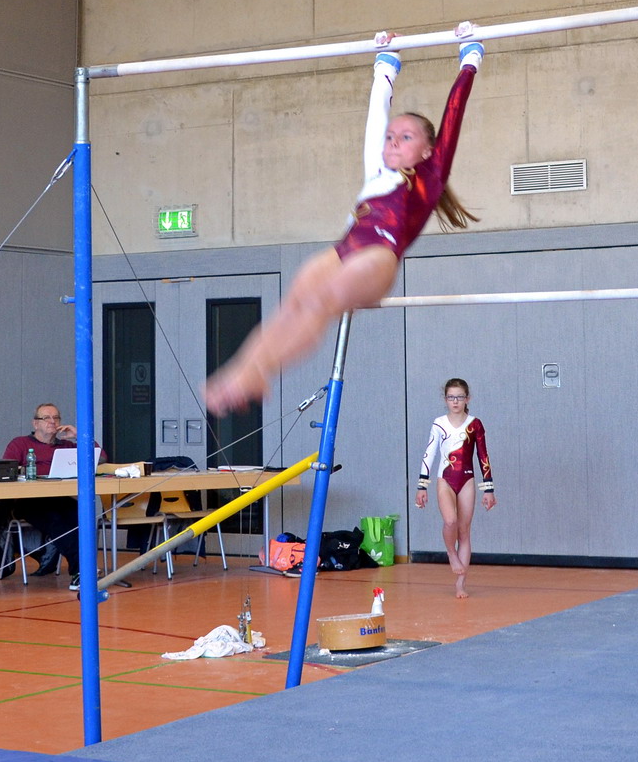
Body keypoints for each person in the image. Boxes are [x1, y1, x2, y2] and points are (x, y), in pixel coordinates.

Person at [202, 32, 486, 415]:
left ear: (427, 151)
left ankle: (260, 370)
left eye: (406, 137)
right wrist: (386, 62)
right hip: (345, 249)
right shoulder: (377, 168)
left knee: (321, 301)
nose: (392, 142)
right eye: (390, 137)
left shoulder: (430, 175)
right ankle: (243, 371)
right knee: (294, 302)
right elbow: (376, 114)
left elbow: (454, 112)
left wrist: (470, 58)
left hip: (378, 256)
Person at [0, 403, 104, 589]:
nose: (52, 421)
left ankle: (83, 572)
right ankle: (82, 572)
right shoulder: (20, 444)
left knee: (81, 516)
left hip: (59, 498)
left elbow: (101, 458)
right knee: (56, 521)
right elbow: (6, 472)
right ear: (35, 423)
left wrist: (79, 436)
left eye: (56, 418)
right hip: (29, 501)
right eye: (46, 418)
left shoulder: (67, 446)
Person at [414, 378, 495, 598]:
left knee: (464, 531)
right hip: (445, 479)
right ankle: (451, 553)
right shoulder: (439, 423)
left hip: (467, 479)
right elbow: (429, 454)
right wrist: (422, 486)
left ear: (467, 398)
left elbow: (483, 456)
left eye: (459, 397)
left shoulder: (475, 424)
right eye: (451, 397)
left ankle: (460, 583)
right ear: (445, 399)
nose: (455, 401)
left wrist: (488, 489)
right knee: (450, 521)